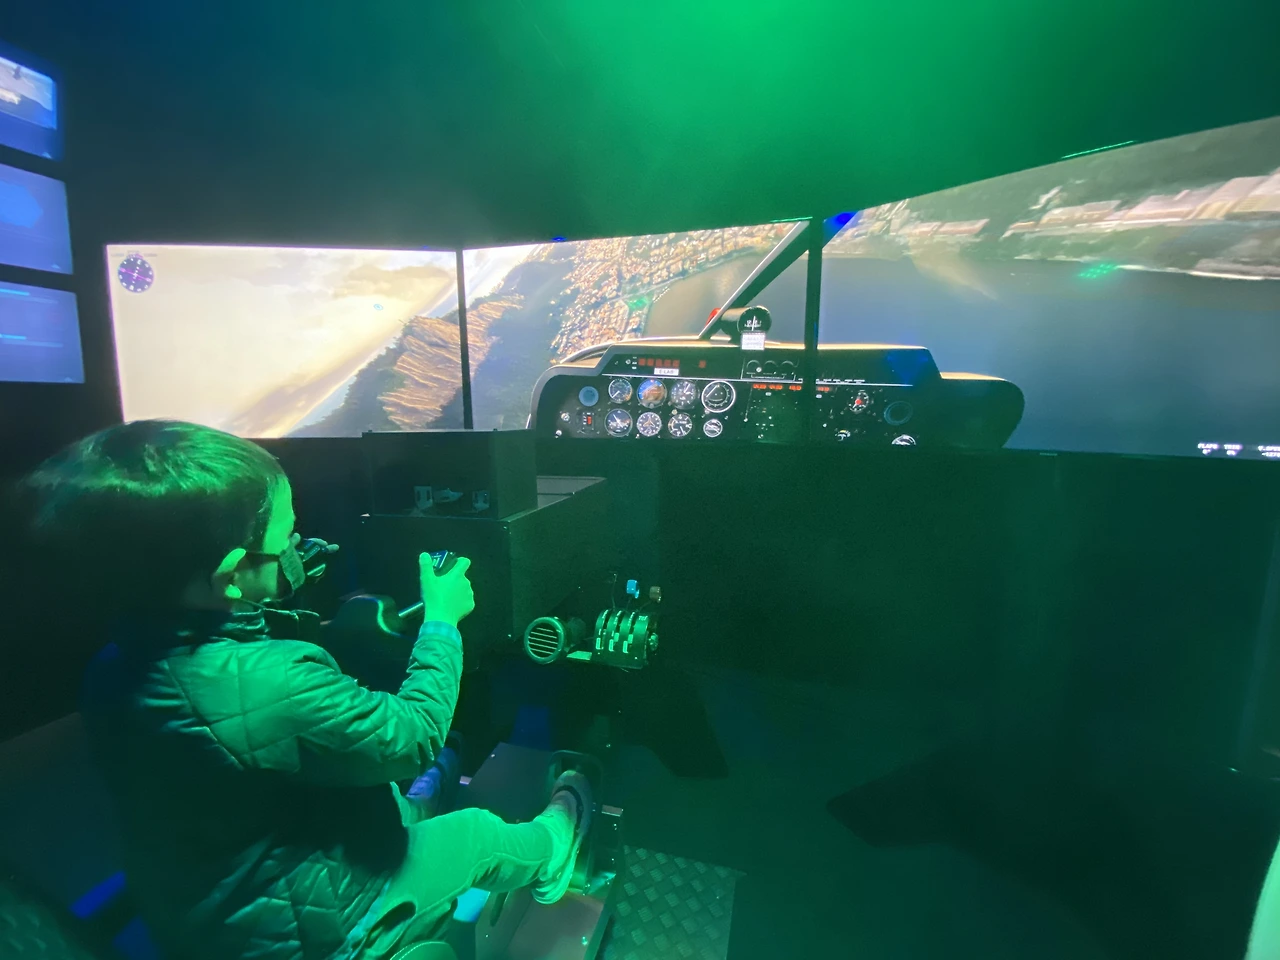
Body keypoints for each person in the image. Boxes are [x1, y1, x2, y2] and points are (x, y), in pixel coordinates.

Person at [17, 419, 591, 960]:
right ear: (232, 574)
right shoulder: (274, 682)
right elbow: (414, 735)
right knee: (477, 834)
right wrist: (442, 620)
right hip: (310, 932)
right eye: (286, 537)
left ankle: (414, 807)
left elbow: (253, 750)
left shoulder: (111, 668)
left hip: (209, 909)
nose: (298, 545)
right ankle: (555, 850)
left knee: (395, 801)